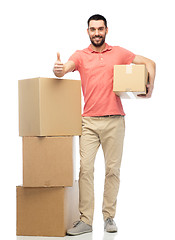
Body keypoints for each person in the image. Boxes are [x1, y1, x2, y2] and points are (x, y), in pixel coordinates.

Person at [53, 14, 156, 236]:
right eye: (93, 29)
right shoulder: (80, 56)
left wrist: (150, 87)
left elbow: (149, 63)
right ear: (87, 31)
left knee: (112, 170)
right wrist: (59, 70)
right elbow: (65, 69)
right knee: (86, 170)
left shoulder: (119, 53)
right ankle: (86, 221)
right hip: (88, 122)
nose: (97, 33)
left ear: (106, 30)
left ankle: (109, 216)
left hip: (115, 120)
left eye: (100, 29)